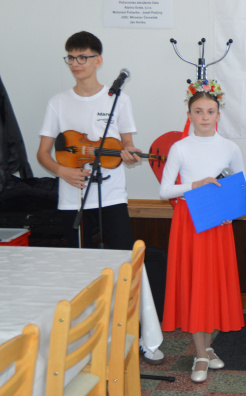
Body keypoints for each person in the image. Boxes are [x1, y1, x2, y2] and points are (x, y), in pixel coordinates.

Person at [36, 31, 165, 364]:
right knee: (78, 272)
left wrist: (131, 154)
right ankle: (82, 340)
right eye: (71, 57)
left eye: (82, 57)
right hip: (73, 201)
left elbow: (126, 145)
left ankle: (137, 337)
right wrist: (63, 172)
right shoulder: (58, 102)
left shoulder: (118, 99)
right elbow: (43, 153)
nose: (75, 63)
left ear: (98, 60)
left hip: (111, 196)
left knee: (124, 267)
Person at [159, 80, 246, 383]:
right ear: (189, 115)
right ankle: (200, 354)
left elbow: (239, 187)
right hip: (189, 221)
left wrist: (230, 213)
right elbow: (164, 190)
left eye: (210, 111)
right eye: (198, 111)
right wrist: (195, 185)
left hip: (218, 224)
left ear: (218, 114)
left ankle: (207, 348)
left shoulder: (230, 148)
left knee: (212, 284)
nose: (205, 117)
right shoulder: (180, 147)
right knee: (196, 284)